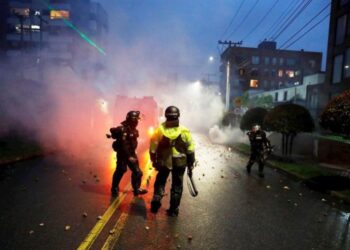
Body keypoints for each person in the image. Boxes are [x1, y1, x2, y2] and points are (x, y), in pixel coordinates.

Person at [149, 106, 195, 217]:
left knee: (160, 181)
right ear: (178, 115)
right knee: (177, 186)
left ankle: (157, 198)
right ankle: (173, 210)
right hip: (180, 163)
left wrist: (153, 160)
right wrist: (190, 164)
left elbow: (152, 148)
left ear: (166, 115)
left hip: (164, 162)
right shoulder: (184, 130)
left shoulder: (159, 130)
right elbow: (190, 149)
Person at [107, 111, 148, 196]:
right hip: (123, 154)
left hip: (131, 153)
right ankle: (114, 188)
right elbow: (123, 145)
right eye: (137, 119)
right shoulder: (123, 129)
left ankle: (136, 189)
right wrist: (129, 157)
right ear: (133, 120)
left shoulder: (134, 130)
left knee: (138, 172)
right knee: (121, 170)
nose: (138, 121)